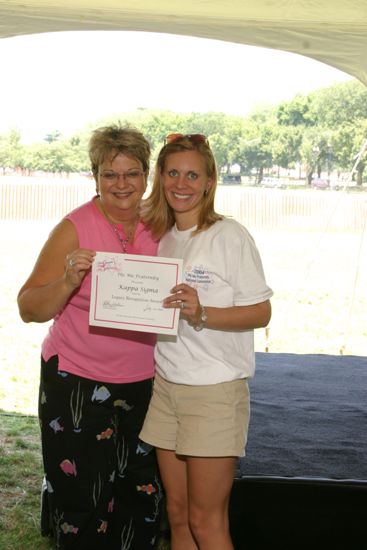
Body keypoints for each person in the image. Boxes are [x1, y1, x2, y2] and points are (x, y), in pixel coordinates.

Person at [17, 124, 163, 550]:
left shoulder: (161, 222)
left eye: (131, 173)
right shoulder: (74, 228)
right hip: (77, 382)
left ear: (146, 175)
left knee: (140, 496)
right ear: (94, 176)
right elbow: (29, 308)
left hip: (145, 385)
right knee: (83, 502)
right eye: (109, 173)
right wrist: (66, 281)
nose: (121, 184)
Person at [139, 133, 273, 550]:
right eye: (173, 173)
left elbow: (261, 313)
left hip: (214, 392)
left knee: (206, 521)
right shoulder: (163, 237)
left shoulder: (229, 236)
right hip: (167, 387)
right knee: (177, 517)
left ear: (210, 181)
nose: (182, 183)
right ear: (160, 177)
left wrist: (202, 313)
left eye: (193, 174)